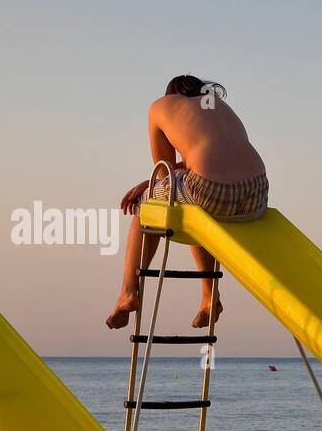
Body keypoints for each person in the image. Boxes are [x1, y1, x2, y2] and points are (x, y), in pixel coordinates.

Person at [106, 75, 269, 331]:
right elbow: (211, 159)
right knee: (190, 208)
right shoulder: (218, 105)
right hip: (257, 193)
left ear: (170, 94)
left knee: (147, 208)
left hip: (209, 192)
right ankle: (209, 297)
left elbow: (165, 173)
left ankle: (128, 292)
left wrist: (149, 187)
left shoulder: (160, 106)